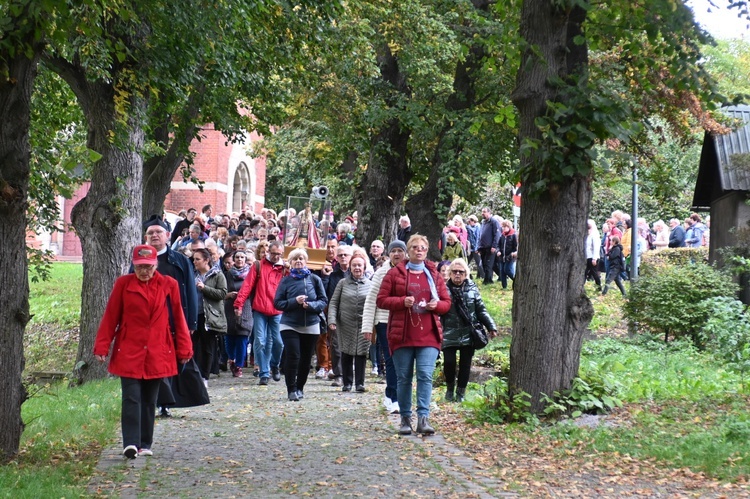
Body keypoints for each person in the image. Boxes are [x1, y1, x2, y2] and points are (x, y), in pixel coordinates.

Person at [94, 245, 193, 459]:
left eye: (148, 267)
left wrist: (184, 347)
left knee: (149, 399)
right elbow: (111, 316)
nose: (144, 272)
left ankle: (145, 443)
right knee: (131, 397)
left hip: (158, 349)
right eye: (140, 267)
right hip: (129, 349)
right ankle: (130, 443)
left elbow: (178, 316)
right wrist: (102, 346)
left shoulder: (169, 284)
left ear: (156, 265)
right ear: (134, 266)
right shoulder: (123, 284)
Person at [377, 234, 451, 436]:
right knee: (404, 378)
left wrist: (437, 306)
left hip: (428, 334)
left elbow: (446, 303)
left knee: (426, 376)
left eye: (423, 248)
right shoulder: (395, 273)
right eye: (415, 247)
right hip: (402, 334)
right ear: (408, 251)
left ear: (427, 251)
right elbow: (381, 300)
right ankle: (404, 419)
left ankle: (423, 418)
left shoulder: (434, 274)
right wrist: (402, 302)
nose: (419, 250)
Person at [142, 215, 199, 417]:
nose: (155, 235)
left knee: (176, 361)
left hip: (176, 319)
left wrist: (191, 320)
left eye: (158, 232)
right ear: (145, 237)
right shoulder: (140, 261)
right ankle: (161, 401)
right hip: (149, 323)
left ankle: (168, 400)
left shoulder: (180, 261)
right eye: (151, 233)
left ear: (167, 235)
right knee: (155, 361)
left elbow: (191, 291)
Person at [273, 248, 328, 401]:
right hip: (289, 324)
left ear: (306, 261)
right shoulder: (285, 281)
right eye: (295, 259)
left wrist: (310, 306)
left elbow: (323, 300)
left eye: (301, 258)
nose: (298, 261)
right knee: (293, 355)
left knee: (305, 358)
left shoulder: (314, 279)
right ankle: (291, 389)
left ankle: (300, 387)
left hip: (311, 324)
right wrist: (294, 302)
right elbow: (277, 303)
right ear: (290, 263)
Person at [361, 240, 407, 414]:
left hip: (404, 322)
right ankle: (394, 397)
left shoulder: (411, 270)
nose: (397, 254)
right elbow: (371, 299)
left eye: (400, 251)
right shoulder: (381, 273)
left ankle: (391, 394)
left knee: (403, 361)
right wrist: (367, 326)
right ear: (389, 254)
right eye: (393, 251)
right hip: (384, 321)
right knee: (390, 359)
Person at [441, 258, 497, 402]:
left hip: (468, 332)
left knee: (465, 365)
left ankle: (460, 393)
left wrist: (491, 326)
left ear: (466, 274)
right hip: (449, 332)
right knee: (449, 363)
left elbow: (481, 310)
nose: (458, 274)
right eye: (454, 272)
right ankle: (449, 389)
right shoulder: (443, 289)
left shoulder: (473, 289)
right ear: (449, 273)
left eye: (461, 272)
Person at [233, 240, 287, 386]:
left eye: (279, 254)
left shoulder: (284, 268)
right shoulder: (258, 265)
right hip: (260, 308)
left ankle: (274, 365)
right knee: (260, 341)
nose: (276, 256)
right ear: (269, 251)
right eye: (274, 253)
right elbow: (247, 286)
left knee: (278, 342)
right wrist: (239, 304)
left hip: (277, 310)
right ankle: (264, 372)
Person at [327, 253, 372, 392]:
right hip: (345, 324)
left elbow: (373, 305)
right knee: (346, 352)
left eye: (360, 265)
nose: (357, 267)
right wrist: (332, 320)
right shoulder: (342, 283)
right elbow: (334, 303)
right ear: (350, 267)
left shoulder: (370, 284)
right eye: (354, 265)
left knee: (361, 353)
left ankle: (360, 383)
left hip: (363, 324)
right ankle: (347, 383)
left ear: (364, 267)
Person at [191, 248, 227, 386]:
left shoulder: (217, 275)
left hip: (210, 317)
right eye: (194, 259)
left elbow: (223, 294)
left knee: (207, 347)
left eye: (198, 259)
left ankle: (204, 377)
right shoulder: (192, 274)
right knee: (191, 346)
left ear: (206, 260)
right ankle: (193, 376)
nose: (194, 262)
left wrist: (205, 288)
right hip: (194, 315)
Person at [325, 244, 354, 387]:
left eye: (346, 255)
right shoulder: (332, 274)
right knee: (336, 345)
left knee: (351, 345)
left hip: (353, 314)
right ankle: (339, 374)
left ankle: (350, 374)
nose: (343, 257)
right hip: (335, 314)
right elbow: (325, 293)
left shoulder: (356, 272)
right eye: (340, 255)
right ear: (336, 257)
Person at [223, 250, 253, 378]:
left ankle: (240, 365)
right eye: (237, 257)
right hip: (229, 308)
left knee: (242, 337)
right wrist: (228, 295)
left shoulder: (251, 274)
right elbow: (221, 291)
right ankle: (232, 359)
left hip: (246, 308)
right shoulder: (227, 275)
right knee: (229, 337)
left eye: (242, 257)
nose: (240, 259)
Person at [477, 207, 501, 285]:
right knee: (484, 264)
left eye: (484, 212)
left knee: (488, 264)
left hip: (490, 247)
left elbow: (497, 235)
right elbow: (480, 235)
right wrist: (478, 247)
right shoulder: (483, 222)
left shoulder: (494, 222)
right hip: (483, 247)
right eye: (482, 212)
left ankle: (488, 280)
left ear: (489, 213)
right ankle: (491, 278)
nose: (482, 213)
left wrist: (494, 246)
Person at [497, 220, 517, 289]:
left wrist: (512, 254)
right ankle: (504, 286)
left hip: (510, 256)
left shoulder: (513, 235)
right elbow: (498, 245)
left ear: (508, 227)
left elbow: (515, 247)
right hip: (502, 256)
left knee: (507, 270)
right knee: (502, 271)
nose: (503, 228)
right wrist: (498, 251)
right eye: (503, 227)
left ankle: (516, 280)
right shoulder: (502, 235)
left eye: (505, 227)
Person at [585, 219, 602, 291]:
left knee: (595, 273)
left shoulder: (594, 235)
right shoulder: (587, 235)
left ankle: (599, 287)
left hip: (592, 257)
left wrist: (594, 258)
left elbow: (596, 247)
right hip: (587, 257)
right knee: (585, 272)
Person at [465, 215, 483, 281]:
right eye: (469, 221)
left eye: (471, 221)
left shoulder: (477, 227)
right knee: (466, 262)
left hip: (475, 248)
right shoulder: (468, 227)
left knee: (479, 263)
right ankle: (470, 276)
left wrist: (476, 248)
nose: (470, 222)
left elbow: (478, 238)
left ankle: (483, 276)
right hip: (470, 248)